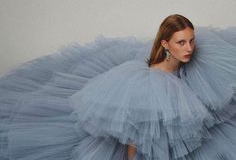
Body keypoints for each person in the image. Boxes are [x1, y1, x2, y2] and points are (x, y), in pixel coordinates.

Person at [0, 14, 236, 160]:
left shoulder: (193, 65)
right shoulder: (150, 82)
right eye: (181, 42)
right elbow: (133, 133)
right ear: (165, 44)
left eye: (191, 41)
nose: (189, 48)